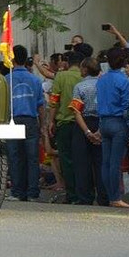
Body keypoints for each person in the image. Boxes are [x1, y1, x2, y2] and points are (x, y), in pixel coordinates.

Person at [97, 48, 129, 208]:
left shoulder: (102, 79)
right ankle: (115, 197)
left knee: (105, 163)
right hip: (119, 122)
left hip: (104, 121)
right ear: (124, 63)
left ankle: (109, 195)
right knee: (115, 163)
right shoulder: (124, 81)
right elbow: (127, 107)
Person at [5, 46, 45, 202]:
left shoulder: (6, 79)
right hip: (30, 121)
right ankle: (32, 193)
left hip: (12, 122)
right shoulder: (35, 80)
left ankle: (16, 192)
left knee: (15, 157)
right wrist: (43, 125)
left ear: (12, 59)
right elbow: (41, 105)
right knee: (32, 158)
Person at [68, 57, 107, 205]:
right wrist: (99, 131)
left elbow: (76, 112)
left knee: (82, 163)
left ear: (85, 70)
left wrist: (87, 132)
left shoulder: (79, 87)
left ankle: (85, 197)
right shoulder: (103, 85)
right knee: (101, 162)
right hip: (101, 123)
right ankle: (104, 197)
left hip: (83, 124)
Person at [48, 50, 84, 204]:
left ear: (67, 62)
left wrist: (50, 121)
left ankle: (72, 195)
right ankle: (84, 194)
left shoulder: (61, 76)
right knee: (82, 159)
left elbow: (54, 101)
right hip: (83, 124)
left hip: (64, 123)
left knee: (66, 160)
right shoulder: (85, 76)